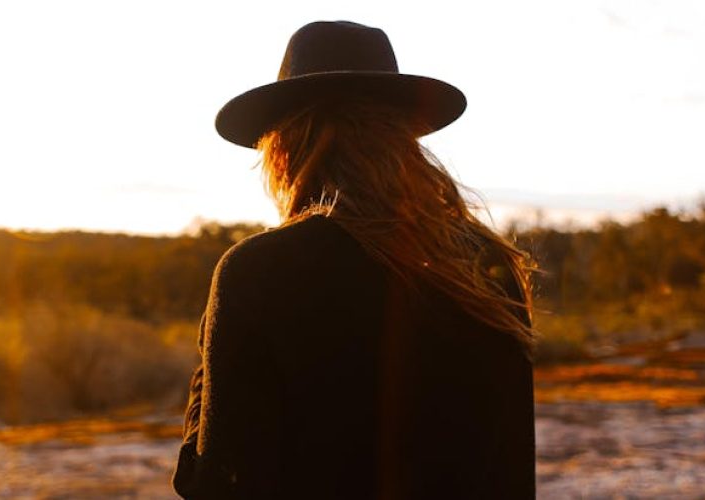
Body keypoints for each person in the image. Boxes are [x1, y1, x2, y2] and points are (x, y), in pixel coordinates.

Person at [173, 21, 536, 499]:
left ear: (283, 147)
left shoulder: (260, 274)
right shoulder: (485, 266)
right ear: (403, 137)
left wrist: (205, 373)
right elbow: (514, 476)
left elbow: (221, 486)